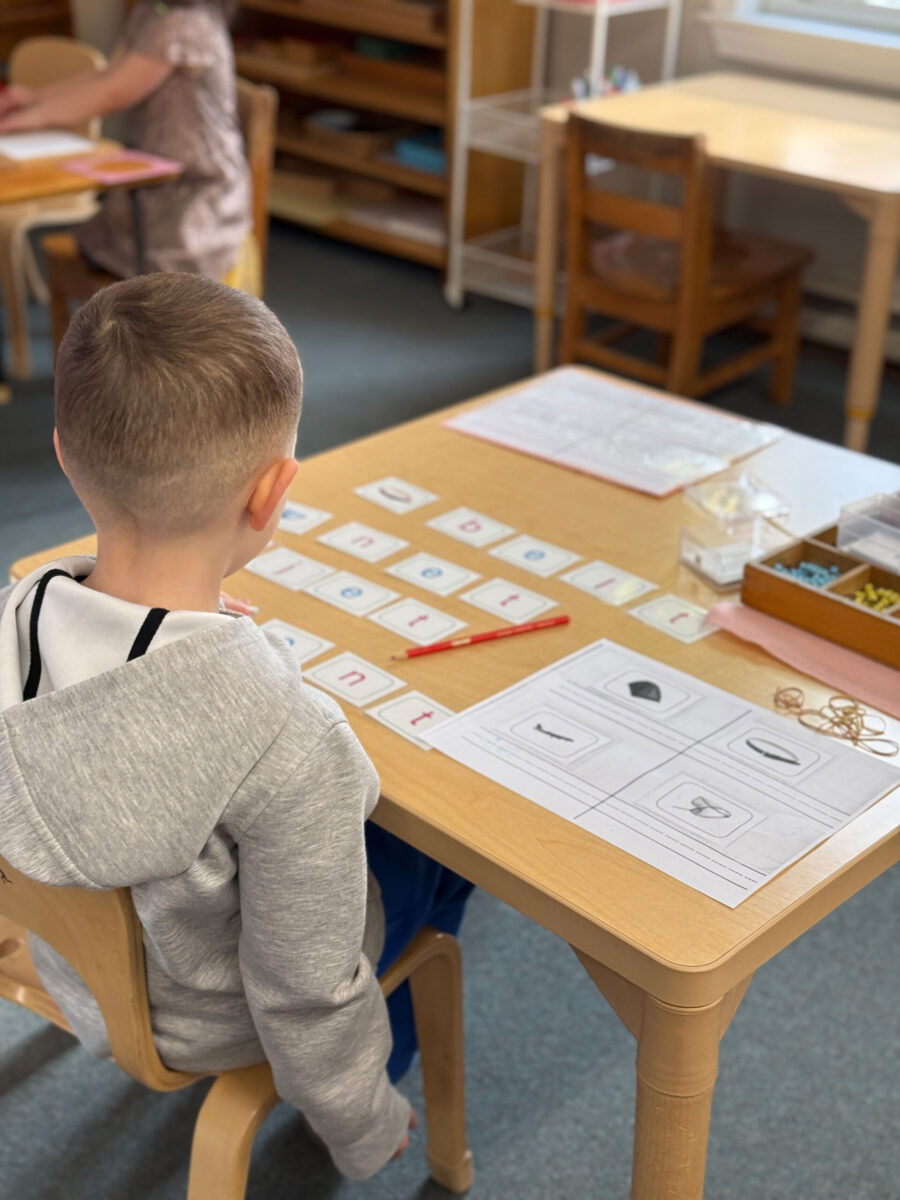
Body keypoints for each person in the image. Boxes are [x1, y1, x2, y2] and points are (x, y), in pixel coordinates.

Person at [0, 273, 472, 1178]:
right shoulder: (289, 739)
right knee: (441, 856)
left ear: (63, 454)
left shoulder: (15, 610)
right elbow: (304, 993)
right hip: (212, 1020)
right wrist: (363, 1123)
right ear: (272, 493)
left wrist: (196, 621)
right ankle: (383, 1079)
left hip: (76, 972)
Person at [0, 1, 250, 282]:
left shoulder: (183, 22)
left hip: (197, 187)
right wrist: (34, 98)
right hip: (152, 179)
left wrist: (35, 116)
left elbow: (114, 93)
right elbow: (107, 76)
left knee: (146, 276)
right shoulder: (153, 10)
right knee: (101, 241)